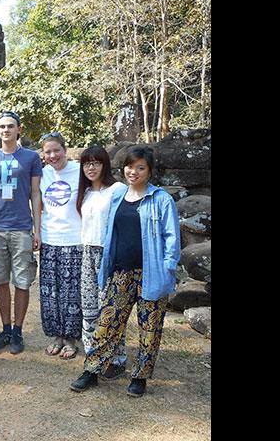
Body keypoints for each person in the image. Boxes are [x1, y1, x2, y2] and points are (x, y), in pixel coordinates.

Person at [71, 147, 180, 398]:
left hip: (152, 273)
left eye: (141, 167)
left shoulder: (161, 199)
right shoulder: (119, 197)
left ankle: (140, 376)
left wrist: (167, 269)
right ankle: (92, 370)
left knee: (149, 328)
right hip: (122, 272)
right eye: (130, 167)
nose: (134, 172)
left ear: (150, 171)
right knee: (107, 322)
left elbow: (171, 238)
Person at [0, 111, 43, 355]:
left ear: (19, 129)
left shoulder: (31, 158)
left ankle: (18, 330)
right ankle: (5, 328)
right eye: (2, 126)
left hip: (22, 229)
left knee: (23, 282)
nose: (6, 130)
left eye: (10, 126)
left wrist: (38, 229)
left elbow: (35, 194)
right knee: (0, 280)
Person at [77, 145, 128, 379]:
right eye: (87, 163)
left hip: (110, 255)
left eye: (96, 162)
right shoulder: (85, 193)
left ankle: (117, 358)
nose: (91, 167)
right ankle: (92, 356)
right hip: (87, 253)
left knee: (111, 309)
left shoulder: (117, 190)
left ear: (105, 164)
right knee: (89, 309)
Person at [37, 133, 84, 360]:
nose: (52, 155)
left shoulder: (80, 171)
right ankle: (56, 336)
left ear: (65, 150)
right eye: (48, 152)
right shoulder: (43, 174)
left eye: (56, 150)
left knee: (71, 293)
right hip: (49, 239)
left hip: (74, 239)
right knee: (50, 293)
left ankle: (71, 339)